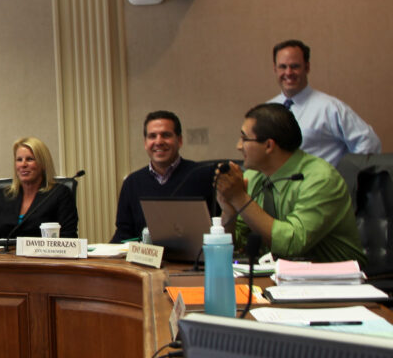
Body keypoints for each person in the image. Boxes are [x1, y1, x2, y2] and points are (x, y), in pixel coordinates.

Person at [215, 103, 364, 263]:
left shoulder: (320, 178)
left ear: (269, 145)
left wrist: (239, 198)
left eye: (244, 138)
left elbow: (291, 245)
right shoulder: (253, 176)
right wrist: (229, 212)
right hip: (276, 277)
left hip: (334, 281)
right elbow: (237, 244)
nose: (238, 146)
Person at [268, 39, 380, 167]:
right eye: (283, 66)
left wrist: (349, 177)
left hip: (320, 185)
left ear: (307, 67)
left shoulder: (330, 108)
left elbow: (369, 141)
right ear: (275, 69)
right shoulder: (267, 110)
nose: (288, 72)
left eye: (295, 66)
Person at [111, 111, 216, 243]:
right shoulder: (132, 183)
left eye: (166, 135)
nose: (158, 141)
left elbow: (219, 229)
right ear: (145, 143)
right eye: (152, 136)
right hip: (144, 261)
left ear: (180, 140)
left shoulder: (203, 176)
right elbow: (123, 234)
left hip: (195, 260)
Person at [0, 137, 78, 241]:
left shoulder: (59, 194)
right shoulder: (0, 195)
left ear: (43, 164)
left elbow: (68, 238)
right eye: (19, 160)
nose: (23, 164)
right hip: (3, 256)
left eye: (30, 159)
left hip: (43, 256)